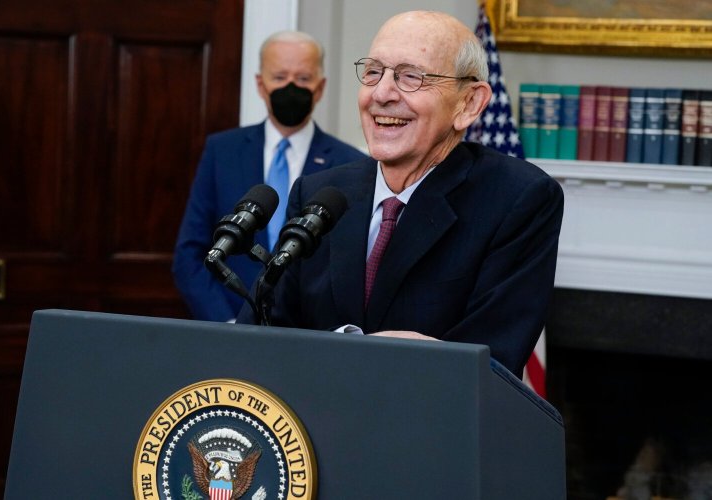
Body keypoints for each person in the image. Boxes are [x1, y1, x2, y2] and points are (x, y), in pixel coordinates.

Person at [238, 11, 564, 378]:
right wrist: (360, 347)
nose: (381, 94)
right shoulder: (320, 193)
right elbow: (264, 328)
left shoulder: (518, 199)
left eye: (411, 77)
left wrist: (341, 351)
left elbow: (490, 361)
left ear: (468, 103)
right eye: (374, 72)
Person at [173, 31, 367, 322]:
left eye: (303, 78)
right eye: (280, 77)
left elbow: (346, 268)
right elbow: (190, 254)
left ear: (320, 87)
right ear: (260, 84)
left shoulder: (351, 163)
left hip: (306, 337)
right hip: (226, 327)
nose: (291, 87)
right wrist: (227, 324)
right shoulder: (222, 151)